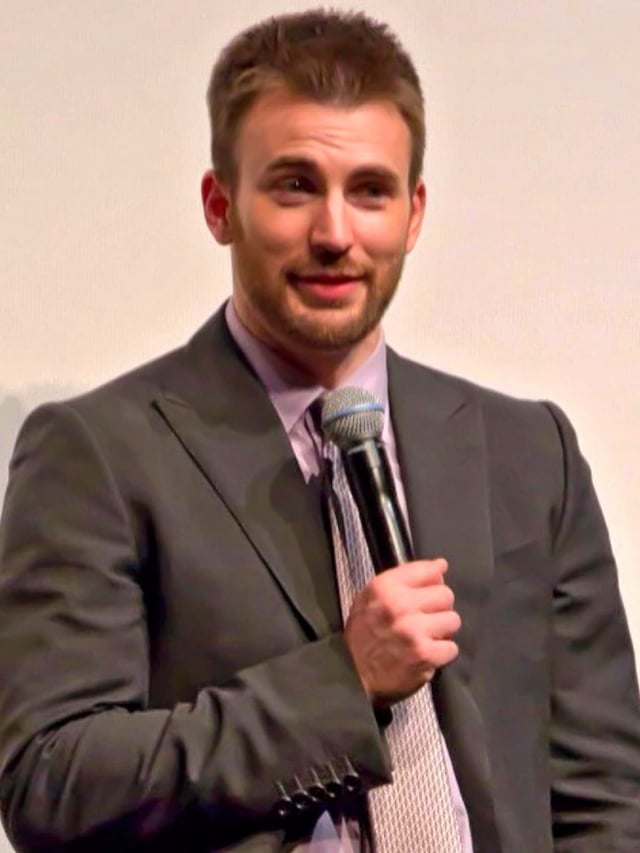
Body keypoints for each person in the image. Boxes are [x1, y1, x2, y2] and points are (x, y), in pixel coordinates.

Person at [0, 8, 639, 852]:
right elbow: (52, 780)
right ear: (220, 204)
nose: (335, 234)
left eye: (370, 191)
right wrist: (342, 683)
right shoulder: (99, 453)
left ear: (413, 214)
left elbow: (603, 796)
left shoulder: (530, 452)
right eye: (295, 185)